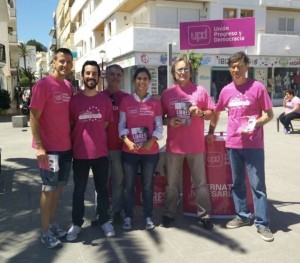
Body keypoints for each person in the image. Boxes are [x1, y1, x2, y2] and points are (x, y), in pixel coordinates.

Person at [207, 51, 274, 242]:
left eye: (239, 66)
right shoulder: (226, 90)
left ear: (247, 67)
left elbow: (269, 114)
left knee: (258, 185)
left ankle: (262, 223)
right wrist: (211, 133)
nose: (235, 69)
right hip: (233, 144)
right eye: (232, 66)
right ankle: (243, 216)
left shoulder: (258, 87)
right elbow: (216, 112)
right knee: (237, 184)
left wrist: (255, 123)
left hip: (253, 145)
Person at [160, 57, 214, 230]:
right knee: (172, 184)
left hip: (196, 146)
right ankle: (169, 213)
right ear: (174, 73)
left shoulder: (200, 91)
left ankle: (204, 215)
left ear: (191, 71)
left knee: (201, 184)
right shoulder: (167, 94)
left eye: (186, 69)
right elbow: (159, 118)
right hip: (174, 147)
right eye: (179, 70)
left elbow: (211, 113)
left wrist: (200, 112)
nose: (183, 72)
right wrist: (169, 121)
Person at [29, 48, 74, 249]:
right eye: (62, 61)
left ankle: (53, 224)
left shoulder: (68, 87)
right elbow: (33, 116)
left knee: (57, 190)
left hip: (66, 148)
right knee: (48, 190)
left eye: (68, 62)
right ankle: (45, 231)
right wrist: (39, 147)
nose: (65, 65)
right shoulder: (43, 84)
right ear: (54, 62)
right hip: (48, 150)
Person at [66, 60, 115, 241]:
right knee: (78, 191)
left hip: (101, 153)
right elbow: (71, 124)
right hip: (80, 154)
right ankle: (76, 224)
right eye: (88, 73)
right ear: (82, 75)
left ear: (99, 76)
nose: (91, 77)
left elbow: (107, 124)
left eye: (94, 73)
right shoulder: (74, 100)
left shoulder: (105, 100)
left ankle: (104, 220)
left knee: (102, 190)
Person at [118, 67, 163, 230]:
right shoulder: (126, 101)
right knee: (129, 185)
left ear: (149, 82)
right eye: (139, 79)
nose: (142, 81)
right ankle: (128, 216)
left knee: (148, 185)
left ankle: (148, 216)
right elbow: (121, 125)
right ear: (134, 81)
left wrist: (152, 140)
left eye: (145, 79)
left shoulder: (155, 103)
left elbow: (159, 127)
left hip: (150, 152)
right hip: (129, 151)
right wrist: (127, 141)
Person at [100, 64, 129, 224]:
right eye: (112, 74)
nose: (115, 77)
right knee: (101, 183)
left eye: (119, 74)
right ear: (106, 76)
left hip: (119, 148)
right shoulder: (98, 96)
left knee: (118, 181)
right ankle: (101, 211)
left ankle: (117, 210)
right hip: (101, 149)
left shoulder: (126, 98)